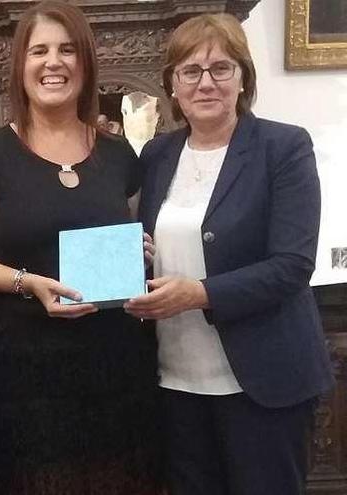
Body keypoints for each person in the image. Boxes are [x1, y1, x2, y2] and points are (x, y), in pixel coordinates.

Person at [0, 2, 162, 493]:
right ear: (21, 65)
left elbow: (137, 234)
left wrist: (141, 248)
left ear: (85, 63)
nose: (52, 62)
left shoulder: (119, 155)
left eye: (67, 49)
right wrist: (26, 282)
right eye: (39, 50)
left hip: (115, 369)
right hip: (24, 380)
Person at [124, 13, 334, 495]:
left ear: (243, 78)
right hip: (176, 381)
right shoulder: (157, 154)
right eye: (190, 71)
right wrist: (139, 251)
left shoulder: (283, 147)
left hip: (262, 381)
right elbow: (160, 240)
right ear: (172, 87)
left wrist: (199, 293)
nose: (206, 83)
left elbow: (293, 265)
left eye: (221, 68)